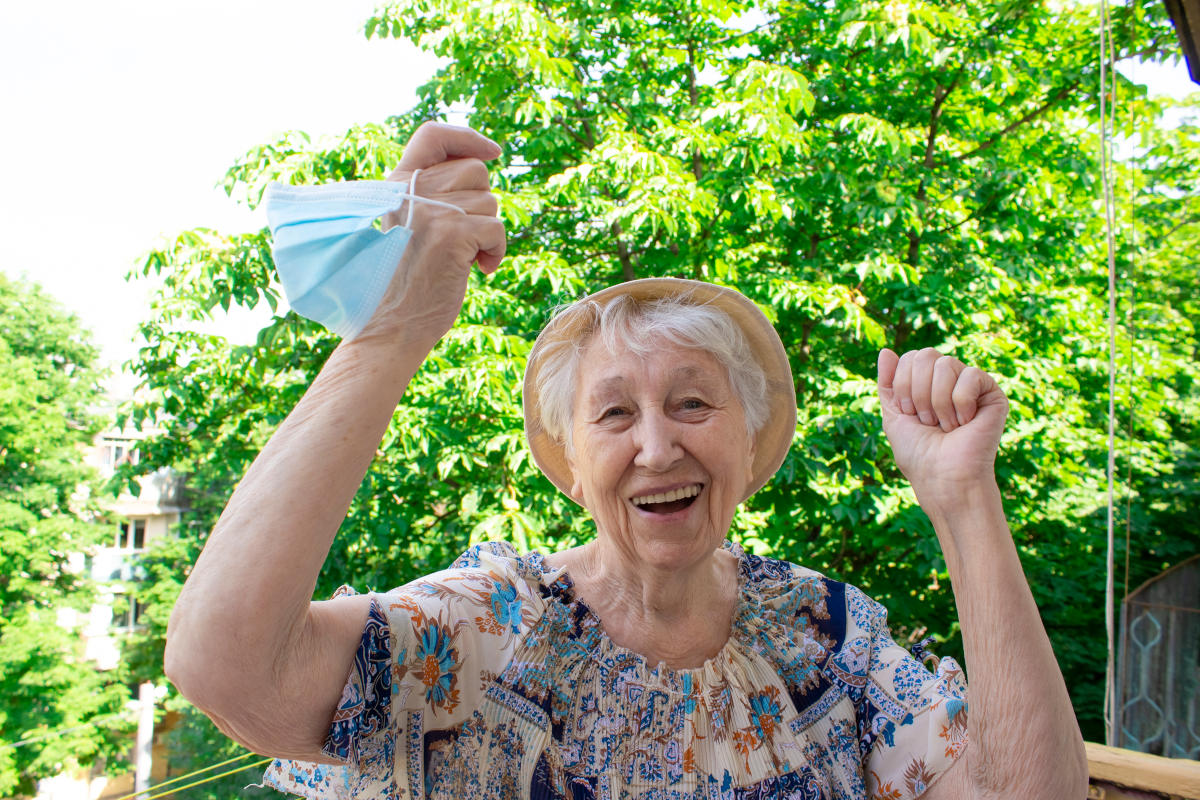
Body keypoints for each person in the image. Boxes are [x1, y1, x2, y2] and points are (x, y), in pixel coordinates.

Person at [164, 122, 1089, 800]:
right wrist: (393, 333)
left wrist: (965, 501)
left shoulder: (826, 637)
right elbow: (228, 669)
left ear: (748, 439)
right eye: (613, 414)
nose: (657, 445)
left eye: (693, 401)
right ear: (569, 464)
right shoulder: (487, 632)